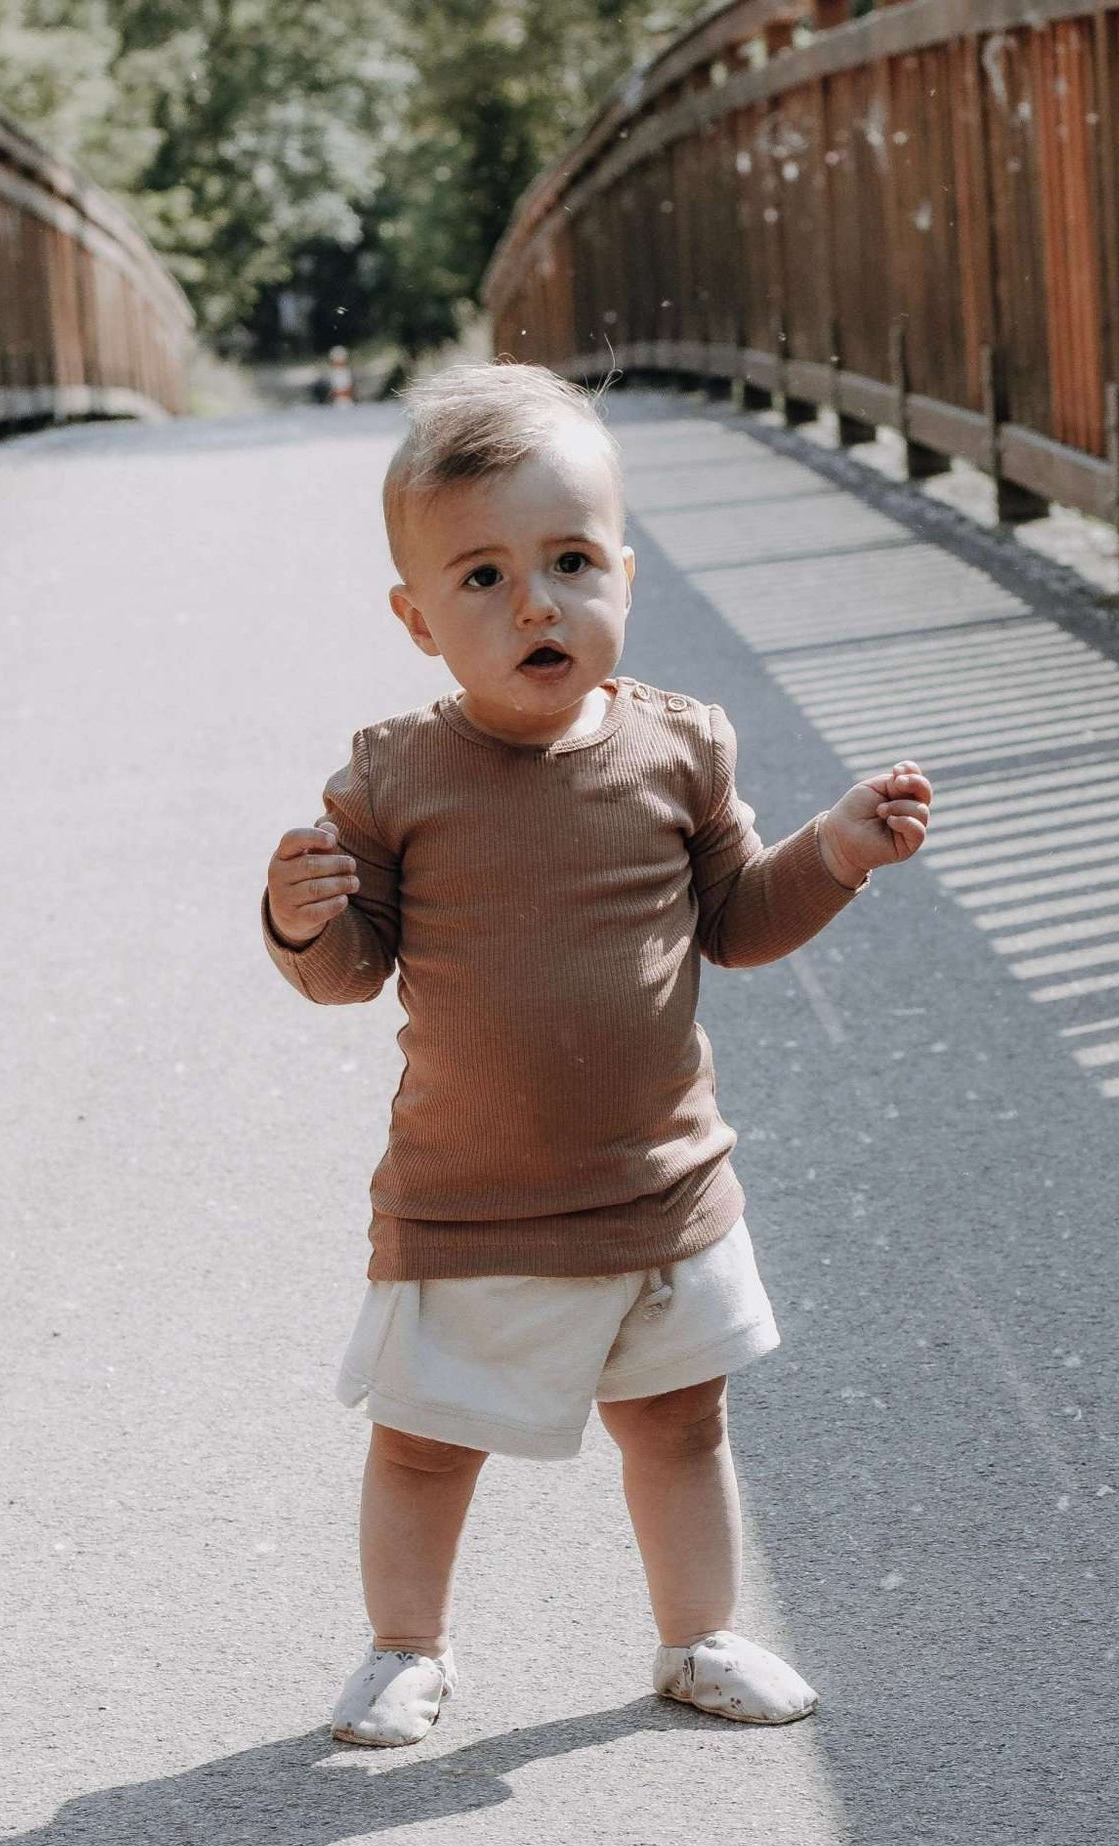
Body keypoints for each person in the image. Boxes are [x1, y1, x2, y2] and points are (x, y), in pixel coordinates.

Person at [262, 361, 933, 1748]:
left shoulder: (679, 749)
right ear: (417, 619)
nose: (537, 605)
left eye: (571, 562)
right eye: (485, 578)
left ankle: (698, 1638)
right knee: (426, 1442)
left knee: (683, 1425)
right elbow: (346, 970)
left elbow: (737, 921)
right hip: (469, 1201)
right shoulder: (394, 781)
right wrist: (295, 916)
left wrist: (837, 853)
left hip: (661, 1189)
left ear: (626, 570)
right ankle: (404, 1647)